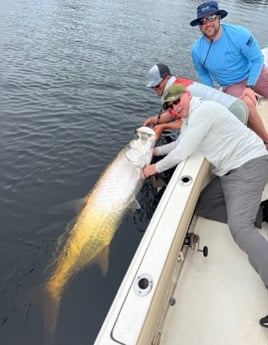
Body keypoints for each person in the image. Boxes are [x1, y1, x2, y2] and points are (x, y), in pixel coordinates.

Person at [143, 84, 268, 324]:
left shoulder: (204, 111)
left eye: (176, 101)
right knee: (201, 206)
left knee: (239, 229)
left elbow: (181, 154)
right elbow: (180, 146)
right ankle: (261, 211)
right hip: (228, 173)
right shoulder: (191, 119)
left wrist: (151, 169)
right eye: (169, 106)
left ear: (187, 95)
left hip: (249, 165)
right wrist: (154, 151)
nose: (174, 108)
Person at [190, 1, 268, 147]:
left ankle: (254, 93)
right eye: (202, 21)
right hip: (231, 85)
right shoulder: (196, 50)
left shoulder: (239, 34)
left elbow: (257, 58)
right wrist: (211, 93)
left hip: (254, 73)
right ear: (199, 25)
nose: (207, 24)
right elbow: (202, 72)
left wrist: (250, 86)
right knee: (246, 106)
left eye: (211, 17)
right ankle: (266, 141)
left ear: (219, 17)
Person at [145, 63, 248, 140]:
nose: (155, 88)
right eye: (152, 87)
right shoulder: (177, 84)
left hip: (233, 112)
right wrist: (153, 120)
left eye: (157, 85)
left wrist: (164, 126)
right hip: (237, 105)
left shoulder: (180, 92)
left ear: (167, 78)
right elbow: (173, 114)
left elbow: (188, 123)